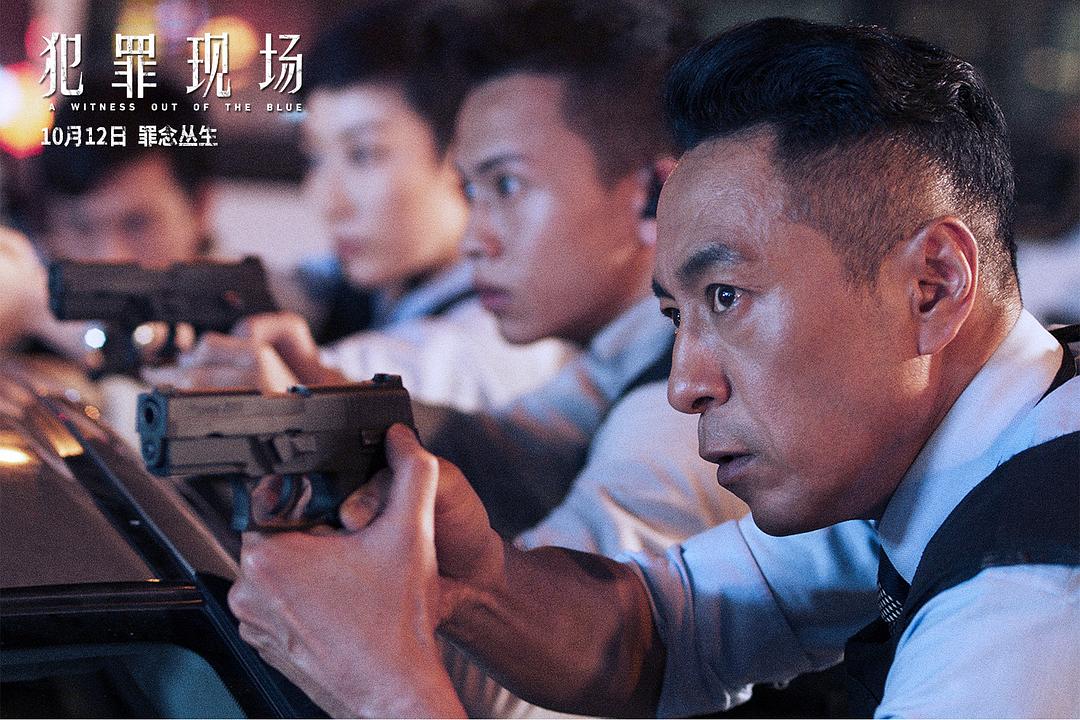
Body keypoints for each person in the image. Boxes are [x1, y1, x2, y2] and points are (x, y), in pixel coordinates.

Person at [227, 16, 1079, 719]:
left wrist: (383, 694)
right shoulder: (939, 448)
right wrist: (471, 580)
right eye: (677, 315)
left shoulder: (1028, 602)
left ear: (932, 287)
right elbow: (662, 630)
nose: (684, 385)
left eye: (728, 297)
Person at [162, 0, 573, 412]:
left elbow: (394, 373)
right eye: (315, 158)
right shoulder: (370, 283)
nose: (327, 201)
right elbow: (282, 286)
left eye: (363, 154)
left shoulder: (503, 337)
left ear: (464, 155)